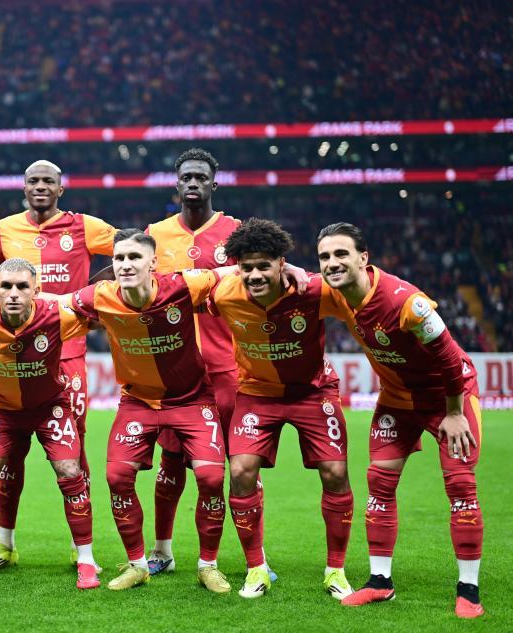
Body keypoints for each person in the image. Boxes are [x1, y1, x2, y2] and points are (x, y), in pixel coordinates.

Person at [316, 222, 485, 619]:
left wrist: (454, 413)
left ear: (363, 258)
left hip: (448, 397)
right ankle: (380, 583)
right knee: (379, 482)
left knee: (461, 486)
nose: (332, 263)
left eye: (341, 254)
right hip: (397, 399)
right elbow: (297, 280)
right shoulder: (336, 293)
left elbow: (449, 358)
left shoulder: (407, 302)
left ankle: (469, 590)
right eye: (324, 256)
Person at [0, 159, 115, 571]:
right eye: (34, 181)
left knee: (74, 451)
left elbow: (129, 250)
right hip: (17, 352)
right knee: (9, 453)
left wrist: (91, 289)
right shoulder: (5, 228)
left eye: (49, 181)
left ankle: (80, 547)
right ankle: (5, 542)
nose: (41, 186)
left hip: (69, 351)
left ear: (60, 189)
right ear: (24, 187)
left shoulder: (84, 226)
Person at [68, 228, 231, 591]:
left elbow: (230, 272)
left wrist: (291, 270)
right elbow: (57, 302)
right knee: (117, 477)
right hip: (138, 402)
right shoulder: (100, 295)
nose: (125, 265)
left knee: (210, 478)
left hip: (191, 399)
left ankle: (208, 565)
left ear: (153, 263)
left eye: (134, 257)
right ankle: (137, 564)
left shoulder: (184, 285)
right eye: (119, 258)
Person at [206, 218, 354, 600]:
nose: (255, 275)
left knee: (336, 472)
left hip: (313, 391)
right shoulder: (224, 293)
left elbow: (358, 286)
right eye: (247, 267)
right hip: (257, 393)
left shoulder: (313, 290)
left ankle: (336, 571)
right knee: (240, 471)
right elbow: (185, 284)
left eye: (264, 266)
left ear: (281, 263)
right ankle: (256, 568)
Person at [0, 258, 99, 590]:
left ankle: (86, 560)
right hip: (3, 410)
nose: (14, 294)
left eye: (22, 287)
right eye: (6, 287)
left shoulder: (57, 315)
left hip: (51, 407)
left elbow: (104, 313)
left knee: (70, 470)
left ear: (36, 290)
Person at [143, 147, 244, 585]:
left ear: (213, 184)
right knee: (170, 461)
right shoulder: (155, 234)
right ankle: (162, 551)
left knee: (240, 465)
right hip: (174, 372)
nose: (193, 183)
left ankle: (255, 557)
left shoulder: (236, 232)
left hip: (227, 367)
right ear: (176, 182)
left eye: (201, 177)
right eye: (187, 177)